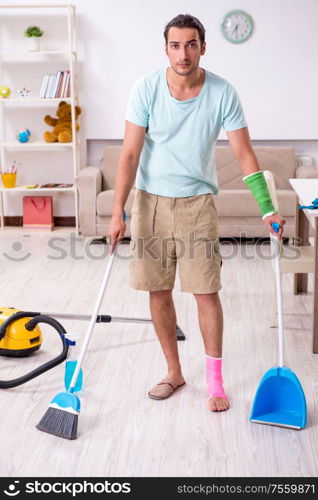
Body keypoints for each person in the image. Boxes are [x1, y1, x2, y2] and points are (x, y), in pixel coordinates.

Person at [108, 14, 285, 412]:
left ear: (203, 47)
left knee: (206, 293)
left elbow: (244, 155)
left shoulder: (222, 92)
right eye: (175, 45)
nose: (183, 53)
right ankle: (174, 372)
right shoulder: (146, 88)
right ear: (165, 48)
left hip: (197, 206)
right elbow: (131, 153)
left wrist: (267, 208)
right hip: (150, 203)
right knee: (158, 291)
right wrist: (117, 212)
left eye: (191, 44)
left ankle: (216, 383)